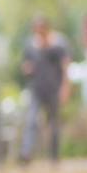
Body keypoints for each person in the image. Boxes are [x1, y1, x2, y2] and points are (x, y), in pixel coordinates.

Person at [20, 16, 71, 163]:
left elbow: (65, 66)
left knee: (53, 123)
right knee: (31, 120)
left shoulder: (58, 44)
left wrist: (65, 87)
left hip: (53, 89)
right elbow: (25, 65)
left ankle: (54, 156)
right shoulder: (30, 45)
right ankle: (26, 153)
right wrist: (27, 69)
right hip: (36, 89)